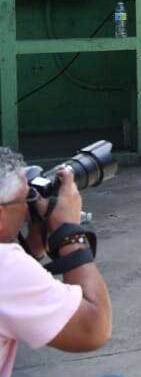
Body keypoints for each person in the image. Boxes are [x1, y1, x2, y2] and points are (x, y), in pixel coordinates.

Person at [0, 148, 112, 375]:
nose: (26, 212)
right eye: (24, 200)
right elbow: (93, 329)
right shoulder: (7, 268)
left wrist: (32, 246)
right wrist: (69, 233)